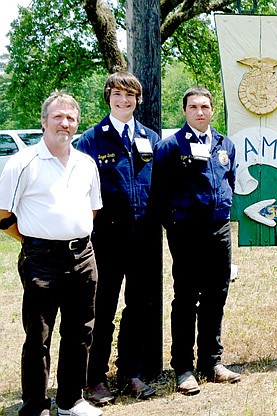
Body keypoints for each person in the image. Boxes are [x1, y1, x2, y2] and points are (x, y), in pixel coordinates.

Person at [0, 92, 103, 416]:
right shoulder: (23, 162)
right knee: (38, 336)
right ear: (44, 122)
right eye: (58, 117)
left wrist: (69, 235)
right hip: (41, 260)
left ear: (77, 124)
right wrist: (34, 240)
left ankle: (70, 401)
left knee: (80, 332)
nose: (65, 123)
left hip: (83, 257)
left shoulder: (86, 163)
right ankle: (35, 406)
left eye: (71, 118)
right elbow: (3, 214)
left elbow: (93, 210)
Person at [75, 71, 162, 404]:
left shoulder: (150, 138)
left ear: (138, 100)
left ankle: (131, 373)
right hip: (106, 240)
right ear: (108, 98)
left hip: (144, 239)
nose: (124, 101)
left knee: (139, 307)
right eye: (117, 95)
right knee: (103, 308)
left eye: (130, 96)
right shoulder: (90, 140)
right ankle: (95, 378)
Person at [151, 86, 239, 395]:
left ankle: (211, 363)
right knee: (186, 297)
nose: (199, 112)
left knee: (217, 295)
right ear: (185, 112)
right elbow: (157, 192)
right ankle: (184, 367)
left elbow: (230, 182)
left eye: (204, 106)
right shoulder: (171, 146)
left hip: (219, 230)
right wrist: (174, 223)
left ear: (212, 110)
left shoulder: (224, 144)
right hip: (186, 231)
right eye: (193, 107)